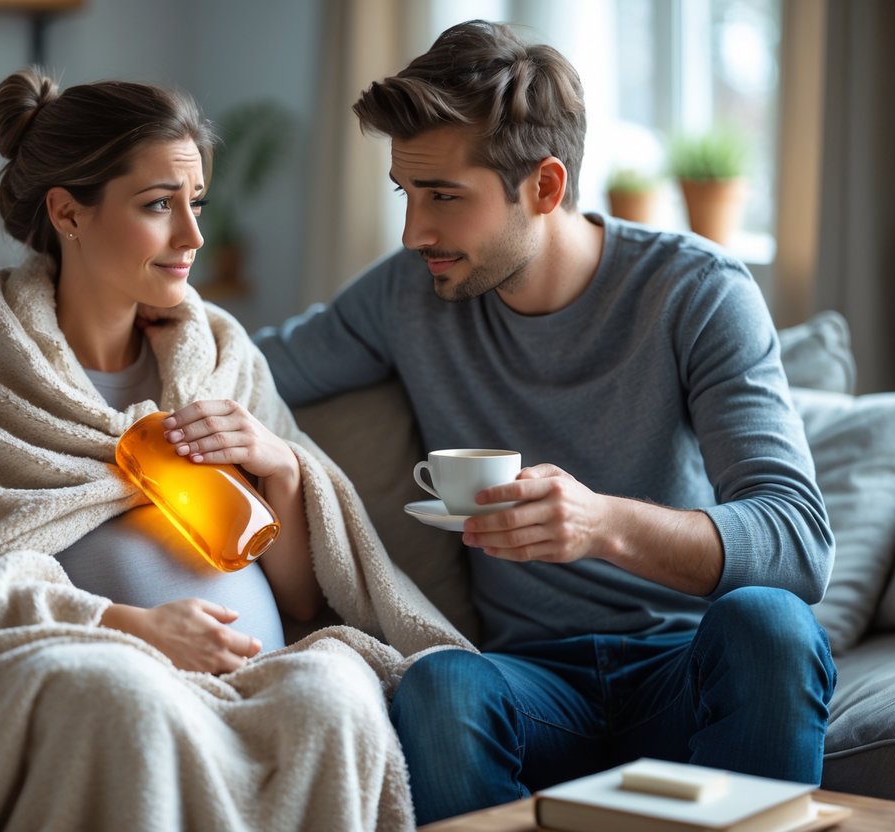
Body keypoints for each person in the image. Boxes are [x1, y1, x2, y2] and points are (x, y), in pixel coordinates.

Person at [0, 69, 468, 832]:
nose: (192, 237)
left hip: (255, 662)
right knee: (125, 697)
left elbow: (300, 603)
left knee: (334, 691)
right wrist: (136, 629)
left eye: (195, 205)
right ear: (68, 213)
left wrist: (281, 468)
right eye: (159, 206)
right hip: (98, 656)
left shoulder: (224, 355)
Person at [254, 19, 837, 825]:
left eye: (443, 197)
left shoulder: (695, 292)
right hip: (532, 690)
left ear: (545, 187)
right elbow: (249, 363)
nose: (413, 231)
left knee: (770, 624)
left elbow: (797, 543)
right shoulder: (407, 295)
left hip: (685, 676)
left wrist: (602, 525)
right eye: (406, 192)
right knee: (438, 681)